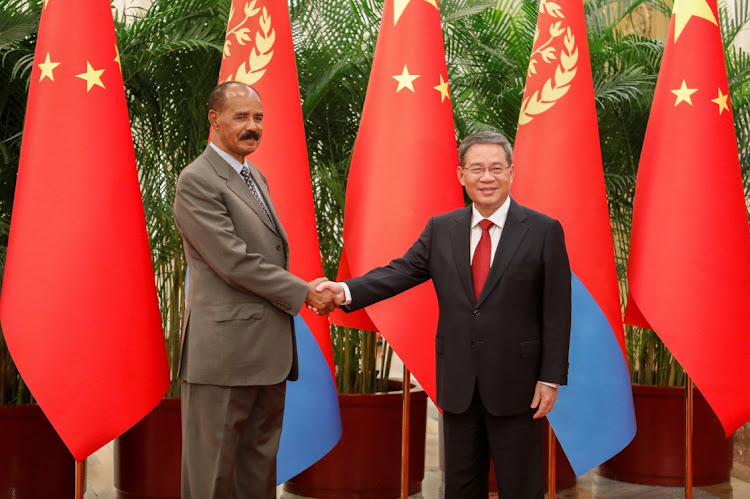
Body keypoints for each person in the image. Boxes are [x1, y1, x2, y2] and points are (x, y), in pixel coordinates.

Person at [316, 131, 571, 498]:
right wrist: (344, 291)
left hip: (519, 384)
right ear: (461, 174)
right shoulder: (442, 229)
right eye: (478, 168)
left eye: (497, 168)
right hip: (459, 383)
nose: (487, 177)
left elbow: (557, 310)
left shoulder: (543, 230)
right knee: (461, 486)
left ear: (512, 173)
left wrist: (550, 377)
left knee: (522, 487)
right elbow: (400, 272)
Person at [173, 81, 340, 498]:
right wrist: (304, 292)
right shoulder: (196, 180)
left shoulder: (254, 176)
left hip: (266, 353)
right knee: (211, 477)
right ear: (214, 120)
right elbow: (232, 261)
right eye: (241, 117)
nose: (252, 126)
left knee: (258, 472)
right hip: (224, 356)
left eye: (259, 118)